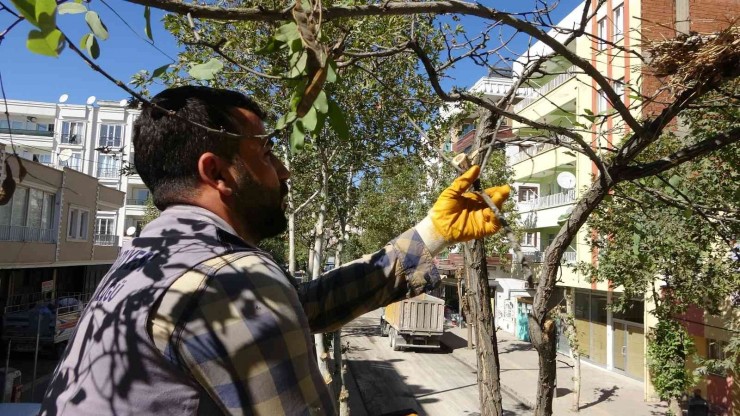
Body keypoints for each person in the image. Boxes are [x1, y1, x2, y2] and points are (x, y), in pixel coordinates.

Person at [40, 86, 510, 416]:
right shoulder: (227, 279)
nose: (284, 172)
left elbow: (300, 309)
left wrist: (433, 232)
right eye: (266, 155)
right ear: (218, 173)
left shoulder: (148, 258)